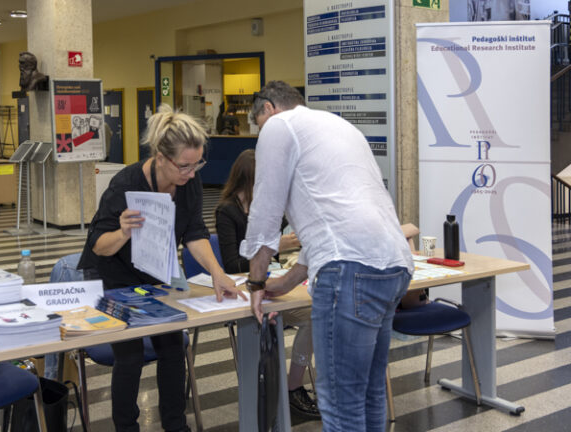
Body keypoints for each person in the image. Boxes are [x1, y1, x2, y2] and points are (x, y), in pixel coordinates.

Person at [239, 81, 413, 431]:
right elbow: (334, 221)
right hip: (394, 263)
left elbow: (265, 212)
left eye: (258, 125)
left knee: (340, 403)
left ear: (268, 108)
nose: (261, 134)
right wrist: (287, 281)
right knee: (369, 393)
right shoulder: (338, 126)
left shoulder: (278, 125)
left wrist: (256, 282)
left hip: (349, 271)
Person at [77, 104, 245, 432]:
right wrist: (124, 232)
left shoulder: (188, 182)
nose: (192, 173)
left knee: (172, 347)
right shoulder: (125, 184)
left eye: (198, 164)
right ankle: (126, 427)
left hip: (156, 273)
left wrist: (218, 273)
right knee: (130, 354)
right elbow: (99, 246)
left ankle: (175, 425)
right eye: (184, 166)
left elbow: (194, 232)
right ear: (160, 157)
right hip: (115, 275)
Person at [214, 149, 320, 419]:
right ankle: (269, 394)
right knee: (270, 322)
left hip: (272, 287)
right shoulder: (227, 211)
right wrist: (274, 247)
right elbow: (232, 265)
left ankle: (293, 385)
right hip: (244, 290)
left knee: (313, 315)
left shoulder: (269, 209)